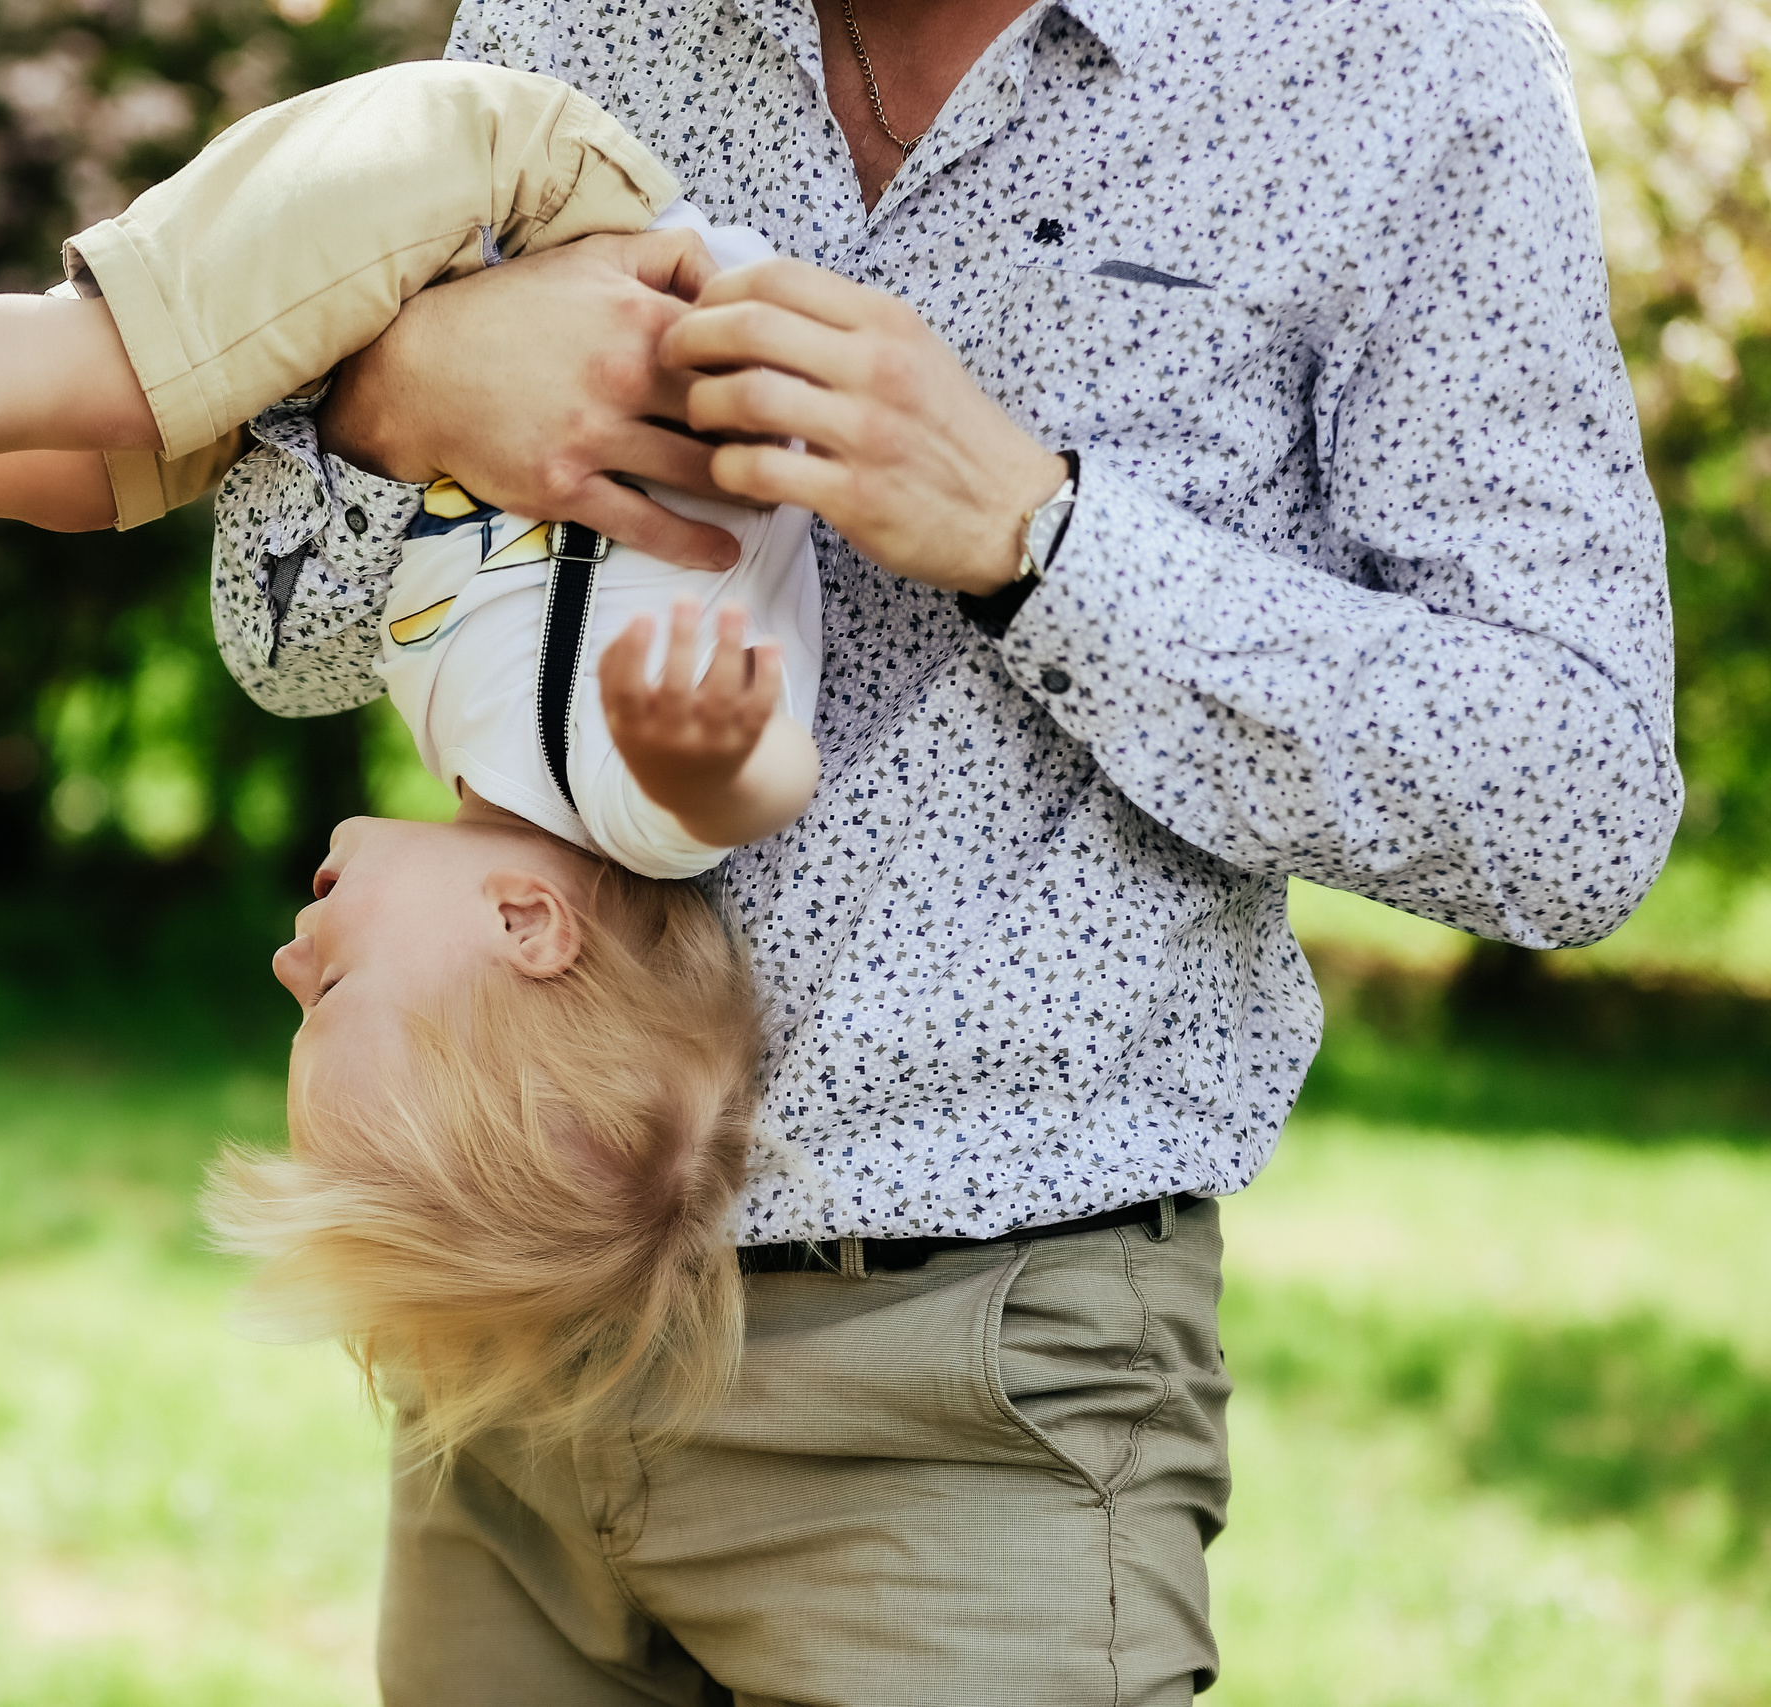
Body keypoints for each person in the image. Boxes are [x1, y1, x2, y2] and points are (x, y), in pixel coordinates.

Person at [205, 0, 1684, 1701]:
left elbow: (1573, 799)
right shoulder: (564, 23)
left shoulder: (1405, 60)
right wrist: (393, 398)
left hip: (972, 1394)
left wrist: (1033, 534)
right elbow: (286, 628)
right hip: (503, 1329)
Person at [0, 62, 821, 1455]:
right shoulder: (625, 789)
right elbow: (738, 798)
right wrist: (711, 758)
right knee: (125, 373)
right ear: (528, 925)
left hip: (451, 279)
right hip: (520, 194)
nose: (287, 966)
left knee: (103, 470)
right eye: (335, 998)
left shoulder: (473, 749)